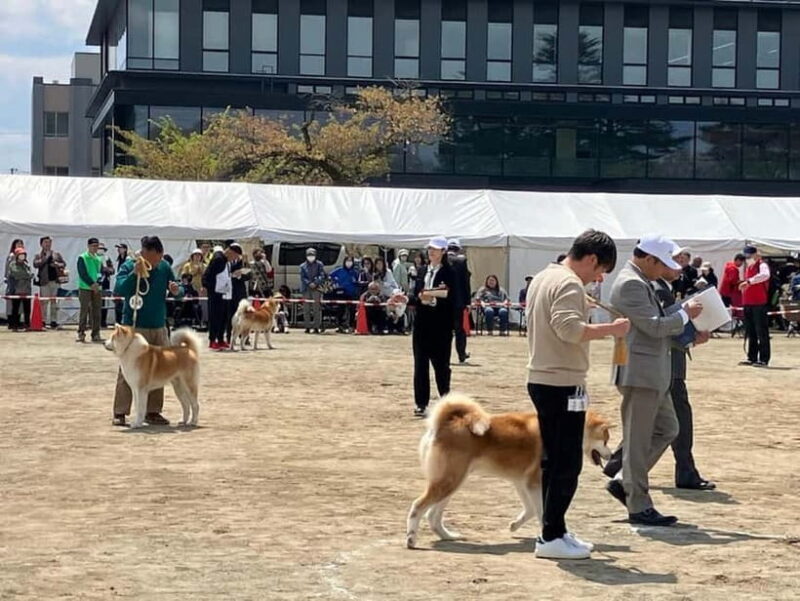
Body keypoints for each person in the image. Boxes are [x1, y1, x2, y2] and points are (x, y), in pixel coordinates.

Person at [525, 230, 629, 560]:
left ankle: (554, 528)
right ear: (592, 259)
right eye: (601, 271)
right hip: (561, 381)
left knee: (554, 460)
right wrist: (612, 330)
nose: (599, 279)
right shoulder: (569, 283)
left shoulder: (545, 275)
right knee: (566, 463)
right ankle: (550, 535)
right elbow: (568, 329)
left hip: (545, 378)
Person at [606, 234, 703, 527]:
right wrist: (685, 315)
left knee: (668, 428)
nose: (665, 270)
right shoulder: (631, 283)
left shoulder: (641, 280)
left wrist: (685, 310)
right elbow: (654, 326)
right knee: (637, 440)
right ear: (648, 258)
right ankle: (638, 503)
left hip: (650, 371)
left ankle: (626, 481)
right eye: (662, 264)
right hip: (640, 371)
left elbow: (657, 317)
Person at [112, 235, 182, 427]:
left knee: (160, 368)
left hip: (158, 325)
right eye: (145, 254)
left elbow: (179, 292)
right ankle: (120, 411)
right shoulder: (130, 265)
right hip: (134, 327)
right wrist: (134, 274)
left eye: (152, 255)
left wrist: (177, 291)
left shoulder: (164, 268)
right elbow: (119, 289)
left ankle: (153, 411)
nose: (148, 259)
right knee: (128, 368)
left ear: (159, 254)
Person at [411, 237, 455, 417]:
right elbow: (415, 294)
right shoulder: (422, 271)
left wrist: (434, 299)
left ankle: (445, 400)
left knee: (441, 365)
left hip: (441, 325)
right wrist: (411, 299)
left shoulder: (450, 272)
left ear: (443, 252)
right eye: (430, 249)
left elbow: (454, 298)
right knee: (420, 364)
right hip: (421, 323)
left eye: (436, 249)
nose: (431, 252)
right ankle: (421, 403)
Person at [739, 245, 771, 367]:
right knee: (751, 331)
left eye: (750, 255)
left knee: (761, 332)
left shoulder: (762, 265)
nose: (748, 258)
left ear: (756, 255)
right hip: (748, 303)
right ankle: (752, 357)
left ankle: (764, 359)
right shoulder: (749, 267)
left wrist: (749, 281)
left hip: (759, 303)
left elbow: (765, 275)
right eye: (746, 256)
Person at [32, 236, 66, 329]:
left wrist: (57, 264)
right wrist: (45, 258)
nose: (48, 244)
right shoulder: (38, 255)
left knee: (54, 301)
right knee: (44, 302)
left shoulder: (56, 254)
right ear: (41, 244)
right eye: (45, 242)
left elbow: (63, 263)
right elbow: (36, 264)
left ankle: (53, 321)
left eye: (49, 242)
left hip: (55, 281)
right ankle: (43, 320)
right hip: (44, 281)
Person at [447, 238, 471, 363]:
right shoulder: (462, 261)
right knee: (459, 330)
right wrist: (468, 302)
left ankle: (442, 354)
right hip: (458, 302)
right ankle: (461, 355)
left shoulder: (441, 260)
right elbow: (465, 283)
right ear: (458, 249)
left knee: (443, 329)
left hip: (443, 301)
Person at [76, 237, 104, 343]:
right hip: (85, 287)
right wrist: (92, 284)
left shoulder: (99, 258)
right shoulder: (82, 257)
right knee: (84, 310)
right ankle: (81, 333)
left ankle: (96, 333)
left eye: (97, 246)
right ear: (88, 246)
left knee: (97, 311)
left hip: (97, 288)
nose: (95, 248)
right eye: (93, 246)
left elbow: (100, 272)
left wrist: (98, 282)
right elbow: (82, 273)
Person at [203, 245, 230, 350]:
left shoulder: (225, 261)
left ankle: (220, 339)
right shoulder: (218, 259)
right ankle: (213, 340)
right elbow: (208, 274)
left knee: (223, 317)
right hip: (215, 292)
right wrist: (207, 286)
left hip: (224, 292)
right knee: (215, 316)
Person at [226, 243, 251, 343]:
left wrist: (240, 275)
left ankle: (245, 338)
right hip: (229, 291)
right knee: (229, 315)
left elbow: (249, 275)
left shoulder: (243, 262)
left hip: (240, 292)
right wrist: (232, 275)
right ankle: (228, 337)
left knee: (243, 315)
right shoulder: (226, 261)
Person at [329, 256, 359, 333]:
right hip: (341, 293)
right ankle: (340, 325)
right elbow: (330, 276)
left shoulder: (355, 272)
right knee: (340, 310)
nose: (349, 262)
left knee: (352, 310)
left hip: (352, 293)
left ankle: (351, 326)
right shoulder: (339, 270)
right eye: (347, 261)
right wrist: (334, 282)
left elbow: (358, 281)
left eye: (350, 261)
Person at [7, 247, 34, 331]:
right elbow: (16, 274)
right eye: (21, 255)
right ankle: (15, 325)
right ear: (17, 255)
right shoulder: (12, 264)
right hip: (17, 289)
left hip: (27, 290)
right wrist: (25, 276)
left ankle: (27, 324)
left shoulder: (27, 265)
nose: (22, 256)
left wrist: (26, 276)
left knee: (27, 309)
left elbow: (31, 274)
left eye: (24, 255)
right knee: (15, 308)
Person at [300, 247, 326, 334]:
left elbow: (322, 275)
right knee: (306, 308)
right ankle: (307, 327)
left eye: (312, 255)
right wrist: (309, 283)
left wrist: (315, 282)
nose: (311, 256)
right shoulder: (302, 266)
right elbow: (303, 277)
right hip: (306, 289)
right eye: (309, 255)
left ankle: (316, 327)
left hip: (317, 288)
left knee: (316, 308)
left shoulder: (319, 264)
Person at [4, 239, 24, 329]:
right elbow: (8, 269)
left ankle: (17, 321)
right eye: (18, 244)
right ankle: (11, 322)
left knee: (19, 303)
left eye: (21, 244)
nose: (19, 246)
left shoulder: (23, 256)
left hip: (21, 283)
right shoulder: (12, 256)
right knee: (11, 302)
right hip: (12, 281)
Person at [97, 244, 115, 327]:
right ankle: (93, 321)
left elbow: (112, 270)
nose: (100, 250)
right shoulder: (92, 258)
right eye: (99, 248)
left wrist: (106, 269)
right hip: (95, 282)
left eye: (102, 249)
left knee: (104, 302)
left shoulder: (107, 259)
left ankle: (103, 321)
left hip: (105, 283)